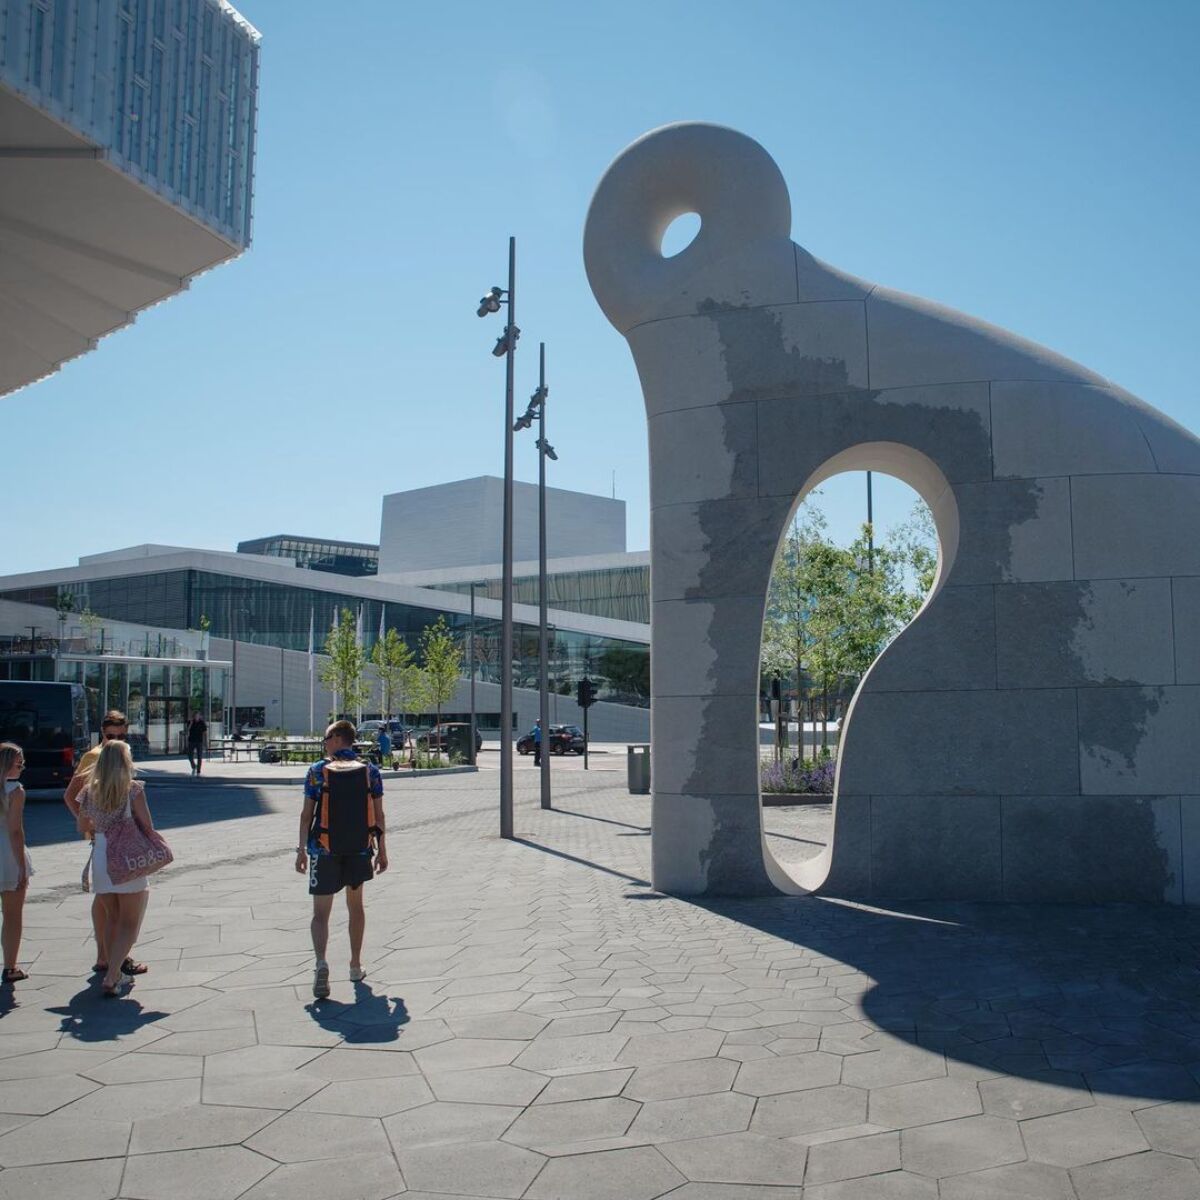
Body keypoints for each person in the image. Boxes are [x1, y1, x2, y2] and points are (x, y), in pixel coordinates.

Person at [296, 720, 387, 998]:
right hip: (359, 850)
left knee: (320, 914)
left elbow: (306, 815)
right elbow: (379, 815)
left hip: (323, 849)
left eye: (325, 737)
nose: (324, 743)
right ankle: (355, 965)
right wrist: (382, 850)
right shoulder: (370, 772)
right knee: (355, 907)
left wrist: (301, 849)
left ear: (337, 738)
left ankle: (321, 962)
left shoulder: (316, 771)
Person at [64, 711, 147, 979]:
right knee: (111, 906)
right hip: (105, 841)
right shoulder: (95, 756)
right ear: (102, 733)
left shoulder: (120, 753)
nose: (115, 740)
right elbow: (70, 796)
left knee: (107, 902)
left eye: (121, 736)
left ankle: (108, 956)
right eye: (110, 736)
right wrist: (91, 825)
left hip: (109, 841)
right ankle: (110, 957)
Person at [77, 740, 154, 997]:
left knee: (112, 917)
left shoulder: (89, 791)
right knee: (130, 921)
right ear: (124, 762)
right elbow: (147, 825)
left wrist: (101, 828)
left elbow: (81, 826)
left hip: (101, 854)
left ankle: (113, 968)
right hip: (127, 858)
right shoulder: (132, 789)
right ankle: (113, 974)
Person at [0, 743, 32, 984]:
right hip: (8, 856)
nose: (21, 766)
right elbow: (14, 831)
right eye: (18, 762)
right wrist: (22, 865)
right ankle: (10, 967)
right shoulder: (15, 790)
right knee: (12, 915)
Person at [186, 711, 208, 776]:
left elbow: (205, 733)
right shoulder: (190, 722)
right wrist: (191, 723)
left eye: (197, 715)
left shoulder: (202, 723)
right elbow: (187, 730)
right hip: (191, 741)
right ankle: (193, 766)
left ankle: (198, 771)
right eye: (195, 716)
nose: (196, 717)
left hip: (199, 741)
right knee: (189, 755)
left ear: (199, 716)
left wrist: (205, 742)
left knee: (199, 757)